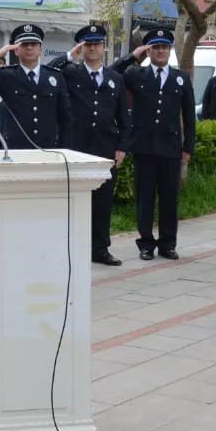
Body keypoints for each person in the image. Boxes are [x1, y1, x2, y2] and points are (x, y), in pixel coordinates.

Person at [48, 24, 130, 266]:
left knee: (103, 201)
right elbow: (47, 70)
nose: (92, 48)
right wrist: (68, 56)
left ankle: (100, 249)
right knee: (74, 200)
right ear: (81, 47)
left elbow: (124, 117)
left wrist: (122, 146)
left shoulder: (116, 79)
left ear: (104, 47)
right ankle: (72, 247)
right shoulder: (70, 73)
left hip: (105, 148)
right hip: (76, 147)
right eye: (87, 44)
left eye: (96, 43)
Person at [111, 29, 196, 261]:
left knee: (169, 198)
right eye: (156, 47)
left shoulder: (181, 78)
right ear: (149, 51)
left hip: (170, 148)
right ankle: (146, 244)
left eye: (164, 47)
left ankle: (168, 244)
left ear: (169, 50)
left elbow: (189, 116)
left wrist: (188, 148)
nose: (160, 51)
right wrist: (133, 56)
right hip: (144, 148)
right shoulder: (137, 74)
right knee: (145, 198)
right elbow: (111, 73)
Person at [0, 23, 72, 149]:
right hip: (16, 148)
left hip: (49, 148)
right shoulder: (6, 76)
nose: (29, 48)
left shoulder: (54, 77)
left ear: (40, 49)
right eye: (24, 44)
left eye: (34, 44)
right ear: (16, 50)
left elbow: (65, 117)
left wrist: (64, 149)